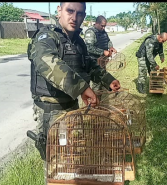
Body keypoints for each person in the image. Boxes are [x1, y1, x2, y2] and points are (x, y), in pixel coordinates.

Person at [27, 2, 120, 160]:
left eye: (80, 14)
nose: (74, 17)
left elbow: (88, 64)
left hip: (72, 107)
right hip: (52, 111)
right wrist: (82, 88)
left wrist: (108, 80)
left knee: (74, 157)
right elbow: (47, 62)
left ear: (84, 16)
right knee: (56, 165)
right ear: (59, 10)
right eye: (70, 11)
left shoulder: (78, 42)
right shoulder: (46, 37)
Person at [84, 15, 117, 95]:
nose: (103, 28)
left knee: (103, 79)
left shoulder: (103, 32)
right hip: (93, 62)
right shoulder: (91, 32)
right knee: (97, 83)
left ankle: (99, 100)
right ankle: (95, 103)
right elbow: (88, 47)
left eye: (104, 26)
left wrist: (111, 47)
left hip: (102, 62)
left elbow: (108, 40)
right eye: (102, 26)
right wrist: (103, 52)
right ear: (96, 23)